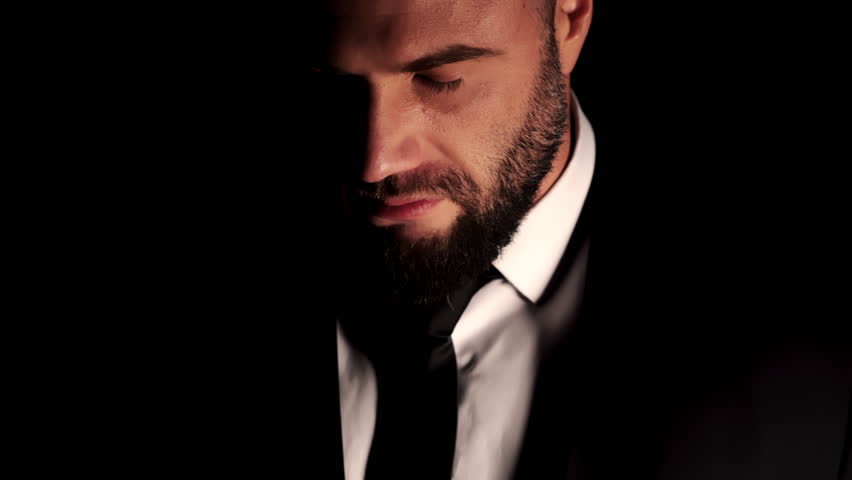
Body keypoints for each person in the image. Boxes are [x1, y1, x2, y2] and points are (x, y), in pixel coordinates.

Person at [292, 1, 852, 479]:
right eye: (329, 82)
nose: (375, 160)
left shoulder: (808, 357)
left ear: (567, 17)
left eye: (442, 79)